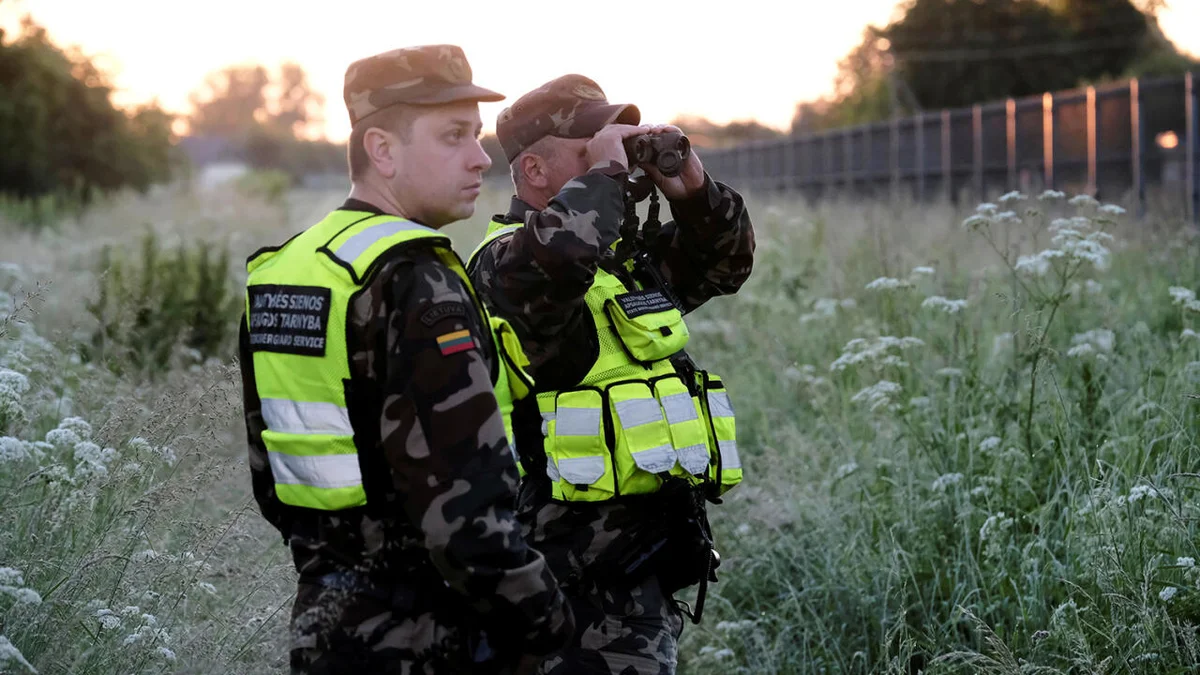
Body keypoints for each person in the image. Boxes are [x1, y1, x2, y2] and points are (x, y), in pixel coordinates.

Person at [237, 45, 574, 675]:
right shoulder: (415, 277)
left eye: (477, 136)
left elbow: (273, 477)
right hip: (432, 638)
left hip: (326, 629)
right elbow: (466, 520)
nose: (480, 157)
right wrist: (550, 622)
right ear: (382, 151)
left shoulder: (288, 270)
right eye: (454, 136)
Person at [465, 73, 756, 675]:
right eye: (591, 147)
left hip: (633, 580)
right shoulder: (505, 264)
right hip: (557, 589)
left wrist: (691, 188)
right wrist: (602, 178)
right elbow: (561, 258)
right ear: (535, 172)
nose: (618, 159)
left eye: (617, 145)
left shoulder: (622, 269)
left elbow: (727, 261)